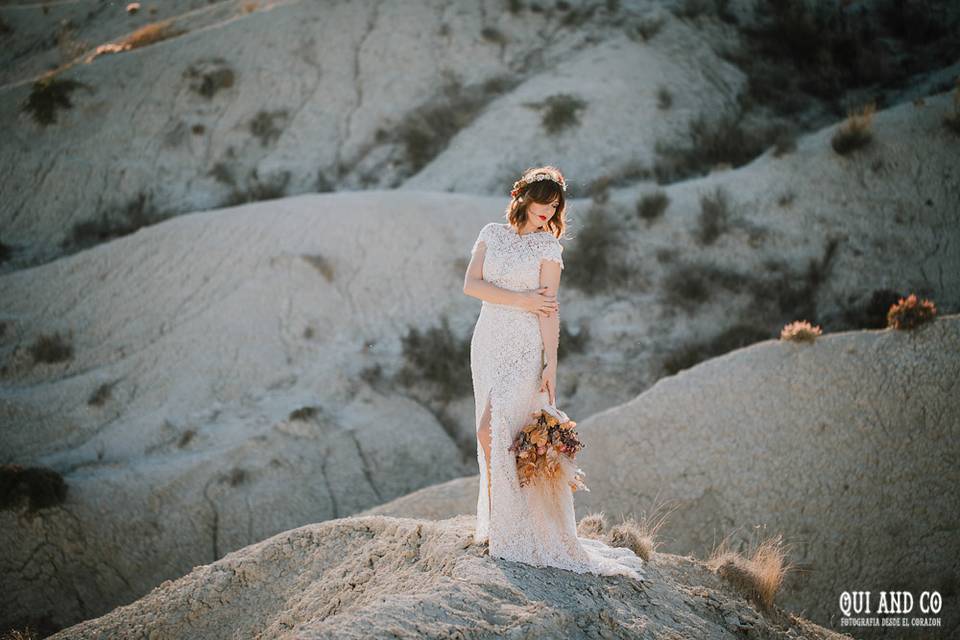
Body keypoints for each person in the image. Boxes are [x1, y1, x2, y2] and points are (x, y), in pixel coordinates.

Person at [463, 165, 648, 581]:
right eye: (542, 200)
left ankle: (514, 528)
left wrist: (551, 364)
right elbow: (471, 286)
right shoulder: (491, 233)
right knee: (491, 433)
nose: (548, 210)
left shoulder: (549, 249)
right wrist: (521, 299)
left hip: (526, 346)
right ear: (523, 197)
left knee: (493, 431)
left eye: (555, 204)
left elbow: (549, 309)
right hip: (488, 341)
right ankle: (498, 524)